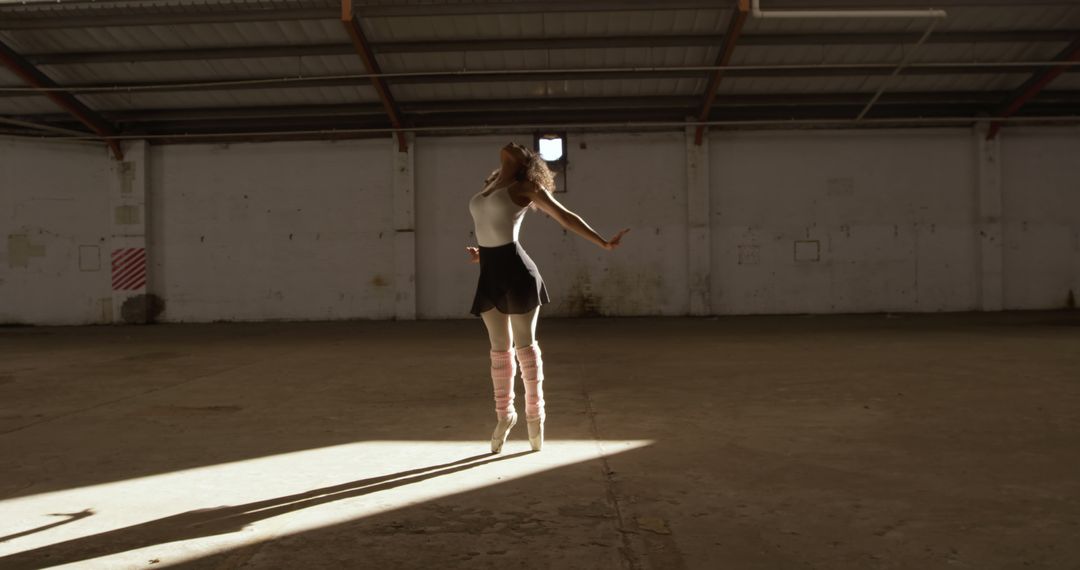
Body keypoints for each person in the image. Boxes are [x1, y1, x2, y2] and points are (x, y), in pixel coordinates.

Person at [465, 142, 630, 453]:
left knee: (524, 347)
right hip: (489, 272)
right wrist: (482, 254)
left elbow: (565, 217)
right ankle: (505, 416)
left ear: (528, 161)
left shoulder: (526, 186)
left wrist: (604, 243)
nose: (514, 144)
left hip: (517, 272)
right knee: (499, 351)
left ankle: (535, 415)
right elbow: (491, 227)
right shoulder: (490, 184)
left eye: (522, 146)